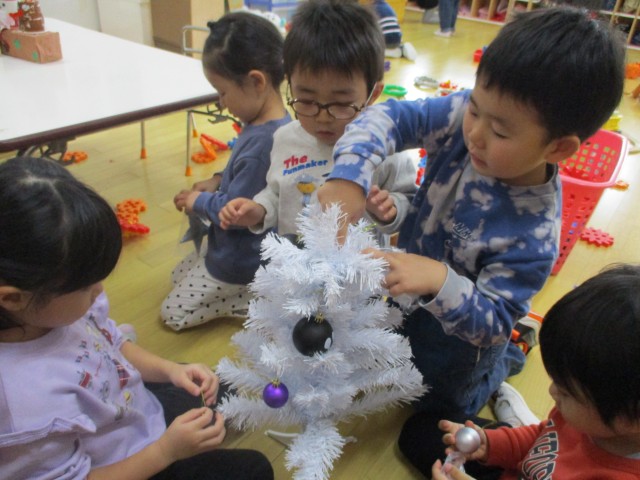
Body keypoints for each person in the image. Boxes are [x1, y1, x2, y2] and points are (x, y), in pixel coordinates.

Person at [315, 7, 625, 475]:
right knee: (391, 352)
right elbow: (389, 117)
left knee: (440, 400)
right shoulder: (470, 115)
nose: (474, 133)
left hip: (459, 347)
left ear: (558, 147)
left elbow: (493, 321)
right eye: (475, 109)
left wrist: (439, 280)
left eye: (499, 131)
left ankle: (510, 359)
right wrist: (349, 175)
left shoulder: (534, 231)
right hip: (408, 298)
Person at [0, 156, 274, 480]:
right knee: (255, 469)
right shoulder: (23, 407)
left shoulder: (55, 311)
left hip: (134, 411)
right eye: (86, 286)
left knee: (221, 389)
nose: (99, 291)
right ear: (13, 298)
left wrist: (170, 370)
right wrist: (165, 452)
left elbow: (112, 344)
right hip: (129, 464)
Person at [218, 0, 417, 246]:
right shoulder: (284, 138)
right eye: (307, 101)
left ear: (373, 94)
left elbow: (409, 200)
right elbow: (277, 192)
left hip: (358, 264)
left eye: (341, 103)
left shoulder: (387, 148)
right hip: (296, 259)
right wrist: (259, 209)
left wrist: (391, 208)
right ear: (290, 85)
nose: (323, 118)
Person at [432, 263, 640, 480]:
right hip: (527, 468)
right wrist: (491, 445)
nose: (552, 392)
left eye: (566, 392)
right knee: (422, 431)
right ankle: (513, 426)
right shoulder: (590, 414)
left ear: (628, 418)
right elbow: (544, 438)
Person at [162, 12, 291, 331]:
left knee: (172, 315)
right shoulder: (262, 123)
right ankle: (236, 289)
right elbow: (244, 174)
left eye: (222, 92)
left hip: (240, 259)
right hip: (230, 247)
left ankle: (245, 299)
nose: (220, 103)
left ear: (257, 81)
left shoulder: (265, 142)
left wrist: (197, 202)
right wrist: (217, 179)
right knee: (176, 277)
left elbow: (235, 213)